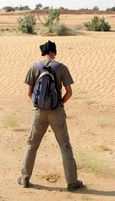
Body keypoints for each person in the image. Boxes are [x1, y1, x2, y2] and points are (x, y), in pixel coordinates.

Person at [18, 40, 83, 191]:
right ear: (54, 52)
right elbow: (69, 93)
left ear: (43, 52)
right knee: (65, 146)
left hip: (39, 113)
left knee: (31, 145)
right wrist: (58, 103)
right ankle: (72, 182)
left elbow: (29, 93)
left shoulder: (34, 67)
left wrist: (39, 105)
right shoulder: (61, 67)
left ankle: (24, 178)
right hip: (57, 112)